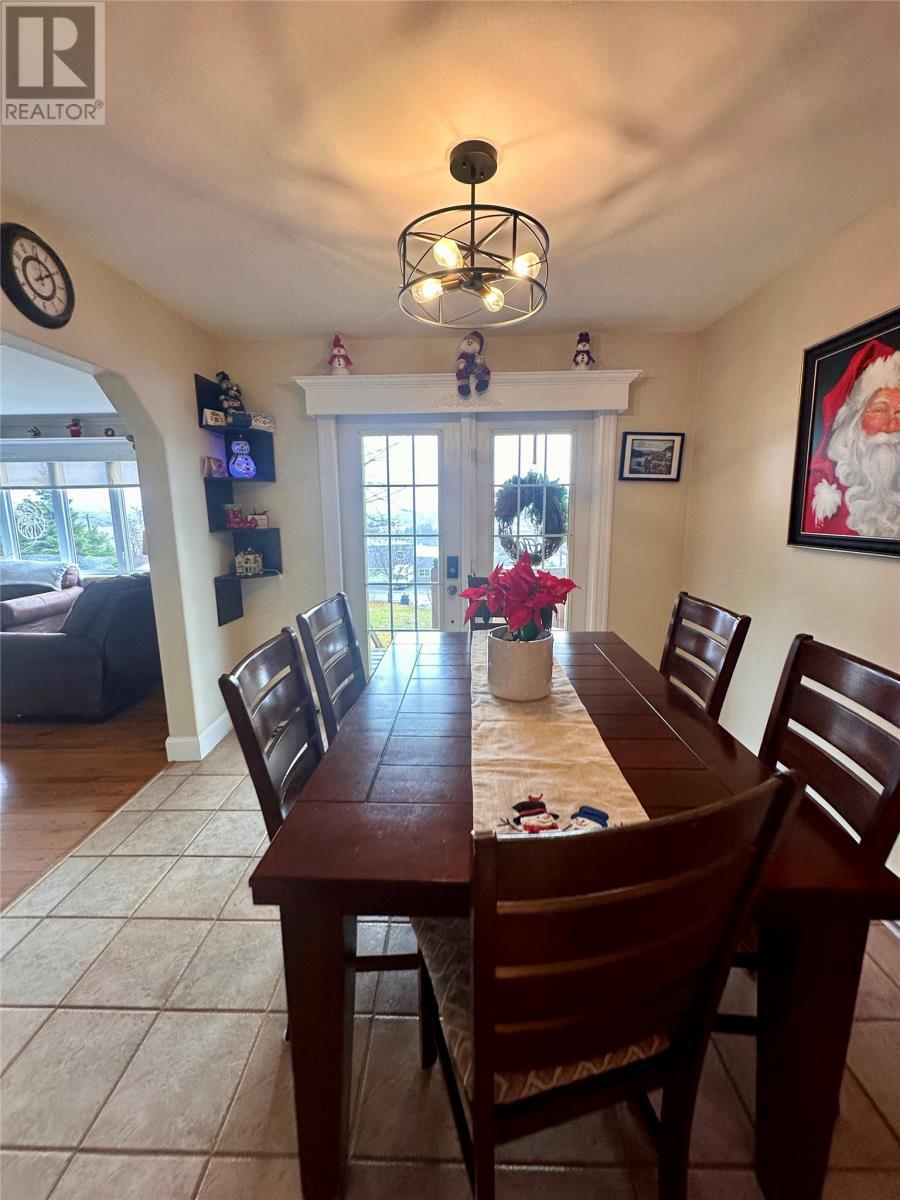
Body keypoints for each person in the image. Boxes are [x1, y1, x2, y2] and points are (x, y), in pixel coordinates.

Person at [804, 340, 900, 539]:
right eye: (880, 410)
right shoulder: (817, 483)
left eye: (899, 413)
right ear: (854, 422)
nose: (892, 425)